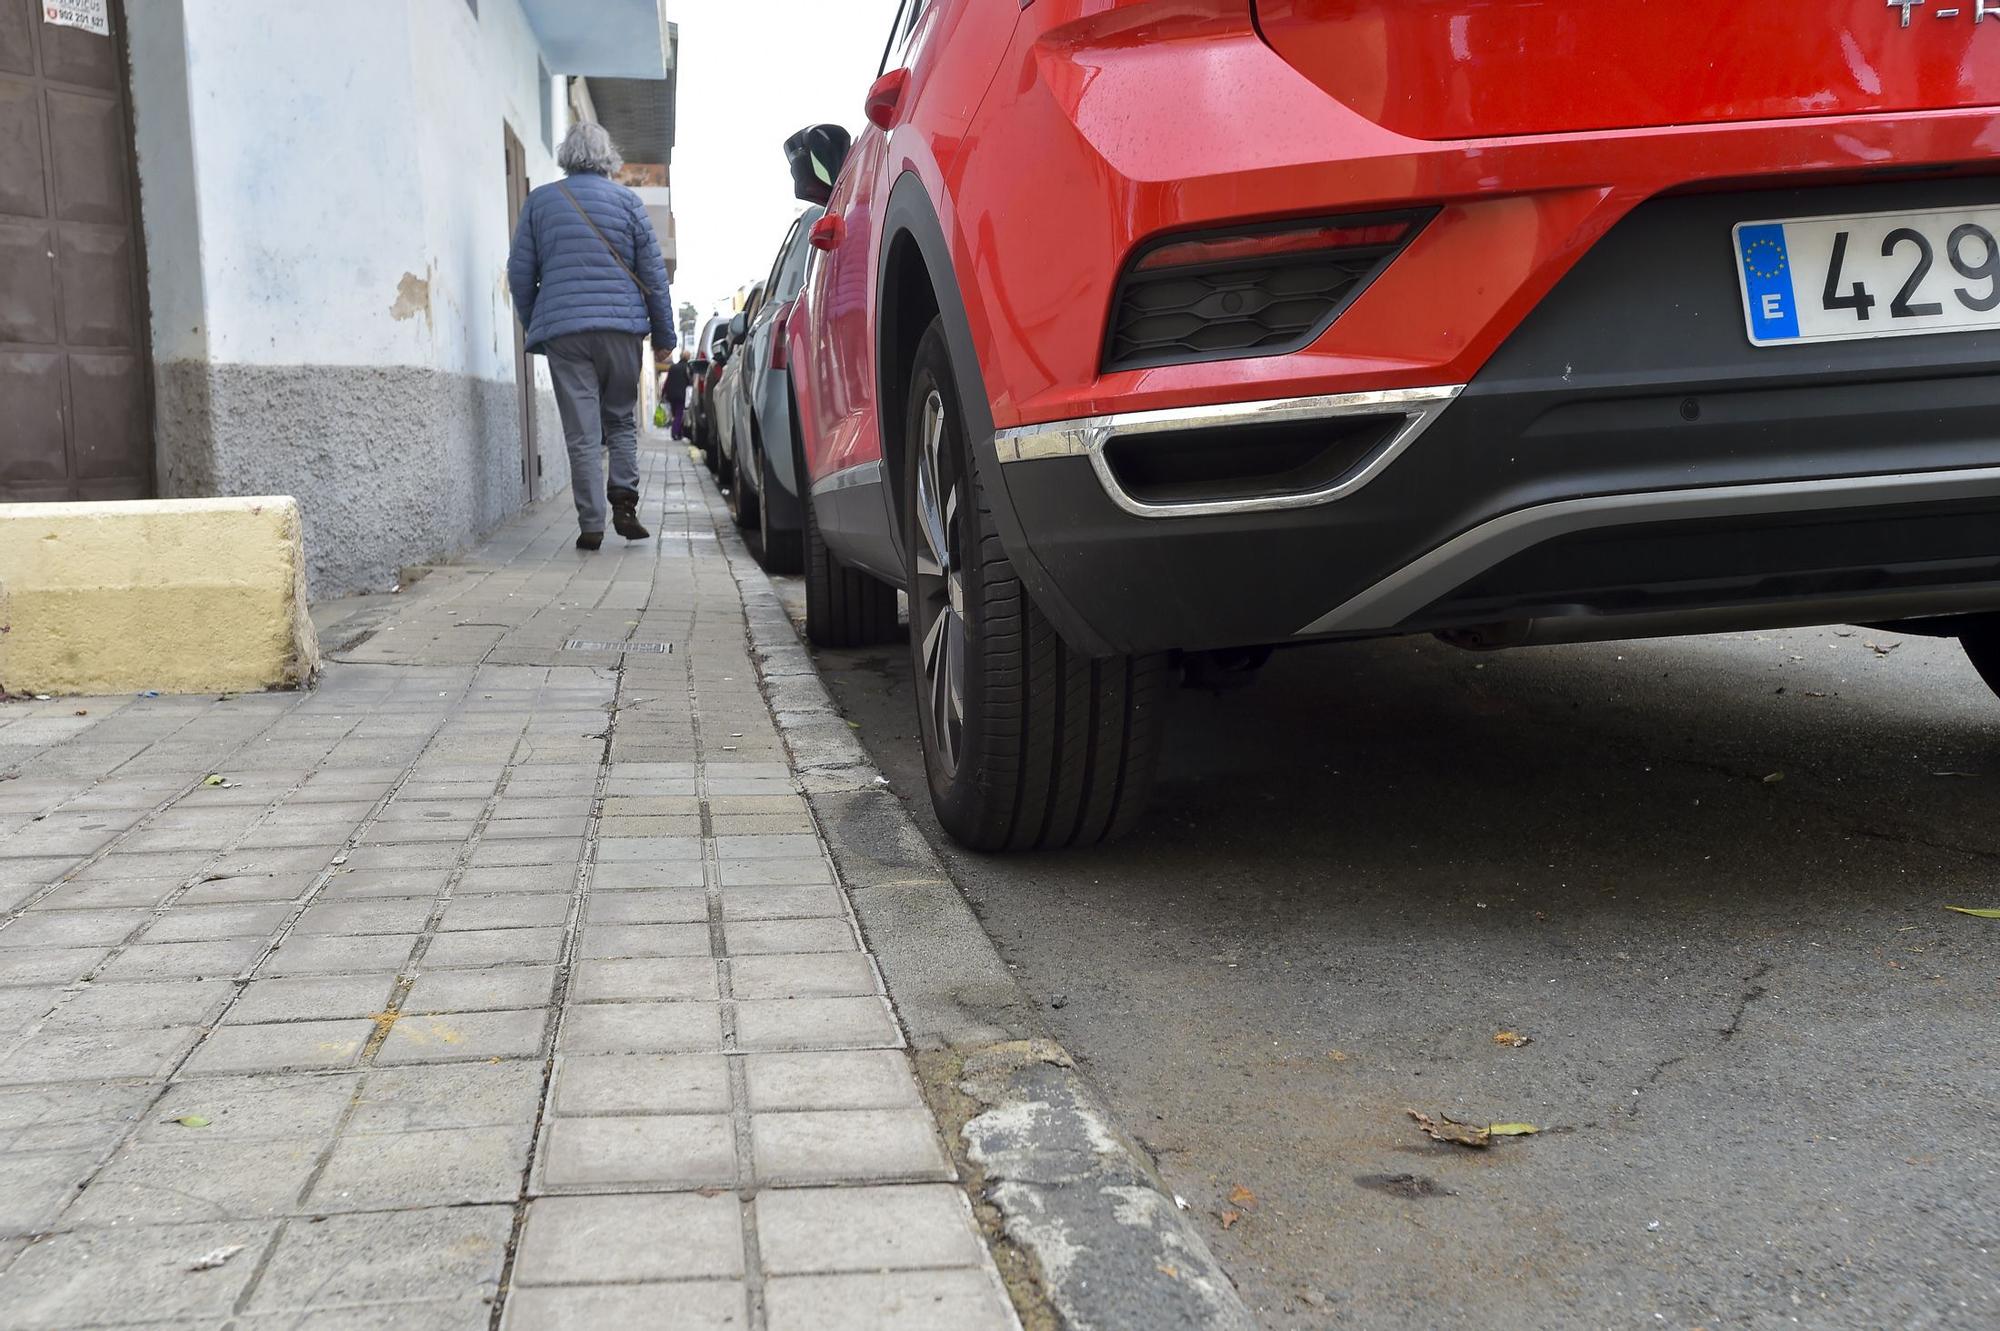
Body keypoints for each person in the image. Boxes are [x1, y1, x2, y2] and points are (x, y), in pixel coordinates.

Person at [507, 121, 674, 550]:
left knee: (581, 432)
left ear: (567, 156)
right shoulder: (629, 203)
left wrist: (538, 321)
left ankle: (592, 524)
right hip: (621, 329)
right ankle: (624, 499)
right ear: (608, 157)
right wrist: (664, 336)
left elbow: (521, 274)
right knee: (619, 419)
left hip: (566, 333)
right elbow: (653, 274)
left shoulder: (539, 202)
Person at [663, 350, 692, 441]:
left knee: (676, 415)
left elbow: (667, 381)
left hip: (671, 395)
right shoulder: (687, 367)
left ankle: (679, 433)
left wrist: (663, 393)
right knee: (679, 415)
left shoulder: (673, 367)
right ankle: (674, 432)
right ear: (688, 358)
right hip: (681, 396)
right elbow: (689, 381)